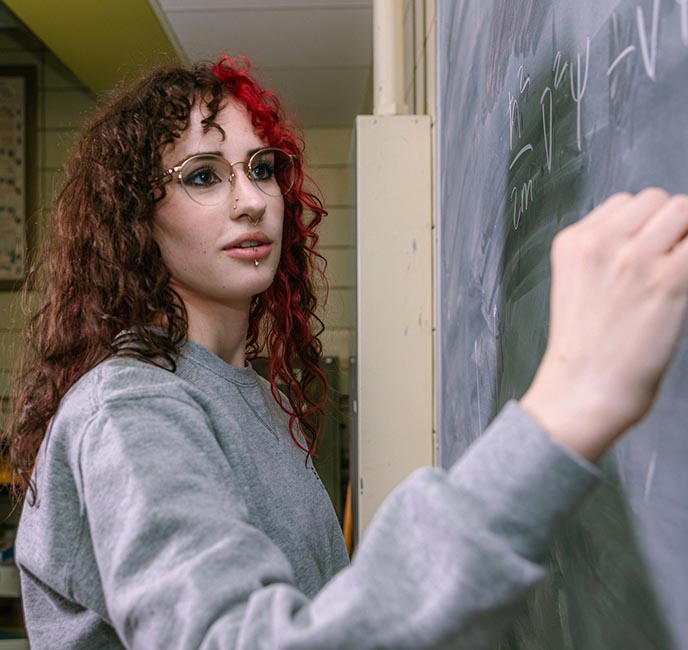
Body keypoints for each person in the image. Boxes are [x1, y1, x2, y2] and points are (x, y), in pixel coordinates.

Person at [4, 56, 688, 650]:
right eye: (204, 176)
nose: (251, 201)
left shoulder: (248, 393)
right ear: (135, 220)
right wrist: (568, 407)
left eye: (260, 168)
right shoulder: (131, 409)